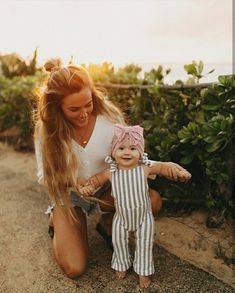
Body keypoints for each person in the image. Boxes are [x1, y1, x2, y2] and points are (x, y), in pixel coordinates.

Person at [33, 58, 163, 279]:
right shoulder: (48, 131)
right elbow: (43, 175)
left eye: (88, 103)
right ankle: (57, 217)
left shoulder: (110, 119)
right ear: (57, 108)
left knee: (152, 201)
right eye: (74, 109)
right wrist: (73, 182)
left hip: (107, 190)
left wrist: (106, 177)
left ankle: (107, 222)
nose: (84, 113)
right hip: (70, 194)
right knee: (74, 268)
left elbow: (130, 157)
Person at [78, 124, 191, 288]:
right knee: (119, 242)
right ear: (114, 151)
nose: (126, 152)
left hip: (143, 218)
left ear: (140, 152)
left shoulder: (144, 167)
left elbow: (163, 167)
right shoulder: (111, 171)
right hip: (121, 218)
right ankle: (121, 264)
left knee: (144, 243)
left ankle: (143, 271)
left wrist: (180, 173)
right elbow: (95, 181)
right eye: (121, 148)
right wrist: (88, 187)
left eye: (132, 148)